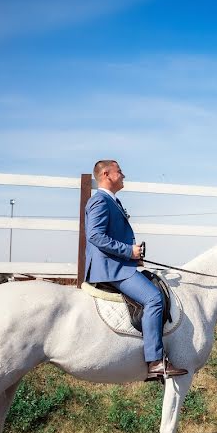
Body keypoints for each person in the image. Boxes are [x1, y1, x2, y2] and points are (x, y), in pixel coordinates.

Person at [84, 159, 187, 381]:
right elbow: (95, 235)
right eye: (119, 171)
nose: (123, 175)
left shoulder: (112, 201)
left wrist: (134, 256)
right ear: (106, 174)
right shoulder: (100, 201)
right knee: (153, 298)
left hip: (119, 264)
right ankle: (155, 362)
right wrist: (128, 251)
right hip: (110, 268)